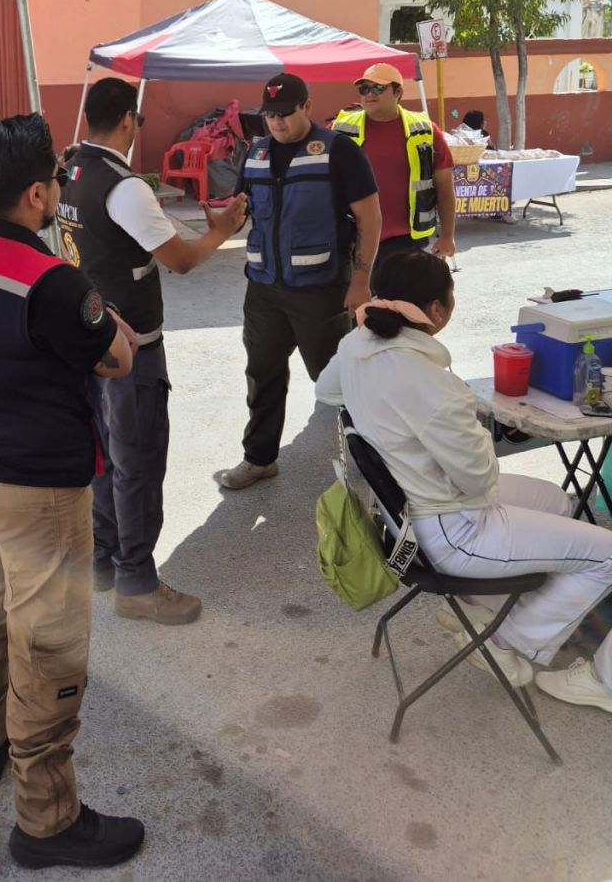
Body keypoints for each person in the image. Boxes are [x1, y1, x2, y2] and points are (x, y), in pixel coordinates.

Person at [0, 113, 146, 869]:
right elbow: (116, 356)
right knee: (47, 646)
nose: (61, 188)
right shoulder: (52, 281)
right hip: (40, 492)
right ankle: (46, 817)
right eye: (54, 180)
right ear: (34, 193)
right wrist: (95, 303)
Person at [315, 250, 612, 711]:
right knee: (607, 556)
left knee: (555, 501)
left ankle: (486, 611)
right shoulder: (433, 385)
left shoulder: (357, 346)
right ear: (437, 309)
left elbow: (327, 390)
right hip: (453, 531)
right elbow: (478, 478)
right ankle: (512, 640)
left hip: (406, 517)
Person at [59, 78, 247, 624]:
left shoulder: (70, 172)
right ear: (125, 121)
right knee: (136, 460)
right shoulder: (124, 186)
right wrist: (221, 231)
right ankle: (137, 582)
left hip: (86, 336)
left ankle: (102, 561)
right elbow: (180, 259)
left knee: (102, 456)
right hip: (129, 345)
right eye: (137, 123)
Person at [219, 72, 381, 492]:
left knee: (338, 380)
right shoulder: (255, 152)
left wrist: (360, 280)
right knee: (263, 373)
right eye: (270, 115)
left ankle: (376, 460)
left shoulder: (339, 151)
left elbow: (369, 216)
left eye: (285, 114)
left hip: (321, 287)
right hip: (264, 287)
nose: (277, 123)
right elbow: (239, 211)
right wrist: (219, 224)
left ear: (307, 107)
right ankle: (259, 459)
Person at [331, 63, 455, 282]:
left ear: (398, 92)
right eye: (364, 89)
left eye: (378, 88)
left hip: (405, 240)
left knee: (400, 310)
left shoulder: (425, 129)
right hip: (352, 238)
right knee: (355, 311)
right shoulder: (340, 128)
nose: (369, 94)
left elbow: (445, 186)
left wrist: (447, 236)